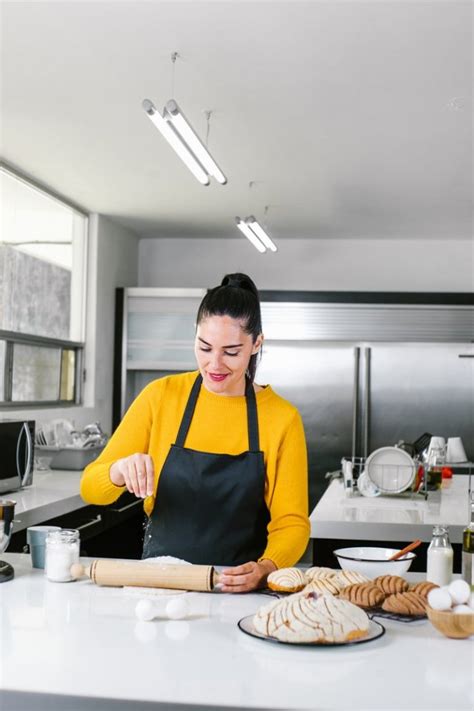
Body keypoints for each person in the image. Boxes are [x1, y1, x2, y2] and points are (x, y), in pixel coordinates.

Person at [81, 273, 310, 592]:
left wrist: (266, 567)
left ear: (257, 343)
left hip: (238, 591)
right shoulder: (161, 396)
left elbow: (292, 523)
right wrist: (118, 471)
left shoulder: (282, 418)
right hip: (160, 585)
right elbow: (91, 487)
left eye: (231, 352)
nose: (214, 364)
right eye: (204, 347)